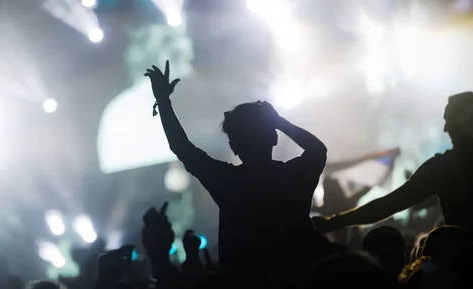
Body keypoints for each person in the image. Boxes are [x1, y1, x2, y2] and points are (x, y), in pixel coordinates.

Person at [144, 61, 328, 280]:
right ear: (274, 137)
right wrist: (278, 121)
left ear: (234, 146)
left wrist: (163, 102)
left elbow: (182, 147)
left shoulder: (228, 182)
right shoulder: (294, 177)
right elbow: (317, 149)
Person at [314, 92, 473, 233]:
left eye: (451, 120)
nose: (446, 128)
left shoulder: (443, 167)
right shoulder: (442, 167)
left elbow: (389, 204)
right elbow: (389, 204)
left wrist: (334, 222)